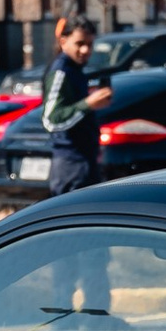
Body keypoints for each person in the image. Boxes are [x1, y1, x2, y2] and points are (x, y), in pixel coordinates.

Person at [38, 11, 111, 194]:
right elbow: (51, 120)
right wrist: (88, 104)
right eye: (79, 44)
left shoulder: (75, 69)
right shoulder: (61, 71)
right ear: (63, 41)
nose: (85, 50)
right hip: (70, 165)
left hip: (84, 161)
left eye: (89, 44)